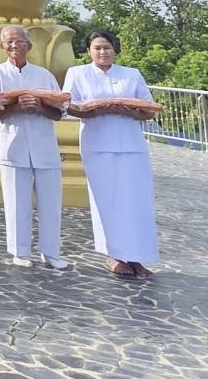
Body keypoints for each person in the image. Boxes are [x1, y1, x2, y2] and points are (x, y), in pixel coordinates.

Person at [63, 31, 160, 278]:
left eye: (107, 47)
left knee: (136, 202)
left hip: (131, 143)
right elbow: (67, 105)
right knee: (107, 201)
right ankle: (114, 255)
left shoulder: (131, 74)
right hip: (98, 143)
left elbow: (149, 109)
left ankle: (137, 257)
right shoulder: (78, 74)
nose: (103, 52)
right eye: (97, 48)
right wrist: (93, 110)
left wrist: (127, 110)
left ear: (114, 50)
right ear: (88, 51)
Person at [0, 24, 68, 270]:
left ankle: (51, 252)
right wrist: (18, 106)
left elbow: (59, 111)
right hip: (13, 144)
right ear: (2, 47)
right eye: (9, 42)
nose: (14, 46)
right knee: (16, 202)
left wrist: (39, 106)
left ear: (29, 46)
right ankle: (20, 251)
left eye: (19, 42)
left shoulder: (44, 75)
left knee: (51, 202)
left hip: (44, 145)